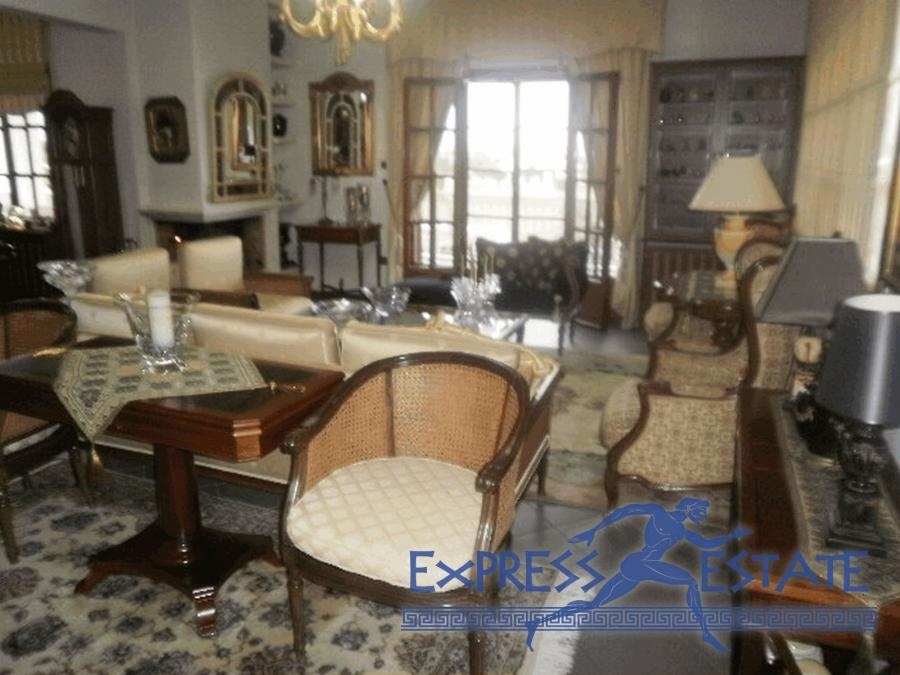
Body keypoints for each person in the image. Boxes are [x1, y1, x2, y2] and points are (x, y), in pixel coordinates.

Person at [525, 497, 750, 652]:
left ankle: (538, 621)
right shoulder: (659, 513)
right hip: (641, 564)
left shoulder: (681, 529)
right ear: (688, 509)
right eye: (698, 512)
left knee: (594, 604)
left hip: (637, 565)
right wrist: (594, 529)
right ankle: (706, 632)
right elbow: (626, 511)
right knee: (690, 582)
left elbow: (706, 543)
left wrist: (733, 535)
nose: (701, 516)